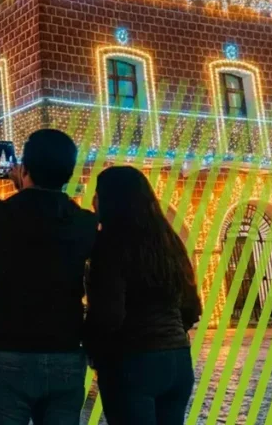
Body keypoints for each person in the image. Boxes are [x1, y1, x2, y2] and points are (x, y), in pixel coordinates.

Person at [0, 129, 97, 425]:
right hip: (64, 353)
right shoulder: (83, 222)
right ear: (68, 172)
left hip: (6, 353)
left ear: (24, 169)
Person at [84, 166, 201, 425]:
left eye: (98, 194)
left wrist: (92, 346)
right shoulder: (169, 241)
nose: (93, 201)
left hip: (131, 359)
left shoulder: (110, 244)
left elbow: (109, 314)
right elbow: (191, 306)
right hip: (177, 359)